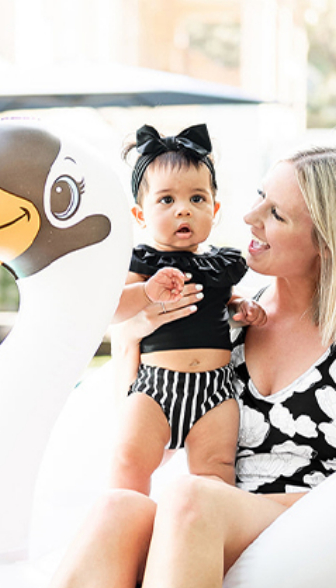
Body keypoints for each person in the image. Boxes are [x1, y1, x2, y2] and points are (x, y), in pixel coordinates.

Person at [25, 145, 336, 588]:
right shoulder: (230, 316)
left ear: (327, 242)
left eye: (275, 213)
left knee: (194, 498)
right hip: (214, 519)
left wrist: (216, 505)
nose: (247, 217)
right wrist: (135, 335)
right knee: (118, 509)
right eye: (260, 197)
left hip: (319, 520)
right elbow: (147, 422)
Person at [110, 124, 265, 495]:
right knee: (129, 462)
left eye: (197, 199)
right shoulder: (144, 261)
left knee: (215, 473)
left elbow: (223, 304)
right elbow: (114, 309)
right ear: (140, 215)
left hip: (214, 390)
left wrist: (242, 308)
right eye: (166, 200)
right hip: (157, 386)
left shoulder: (220, 264)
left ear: (215, 209)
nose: (184, 210)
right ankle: (128, 528)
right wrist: (147, 291)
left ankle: (207, 535)